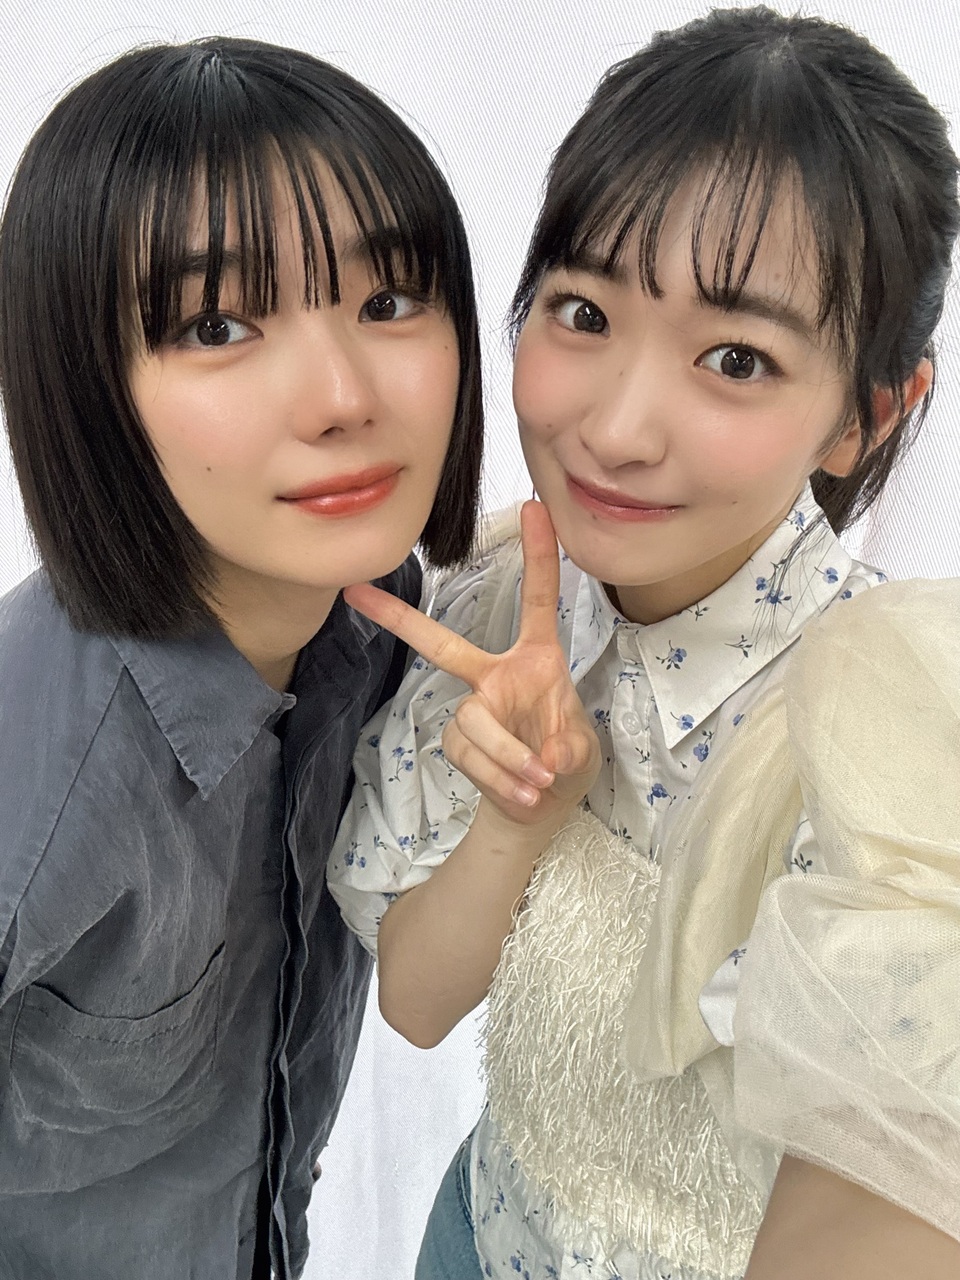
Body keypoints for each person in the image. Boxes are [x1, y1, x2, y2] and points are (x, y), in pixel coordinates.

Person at [328, 7, 960, 1278]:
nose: (616, 429)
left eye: (736, 357)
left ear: (869, 414)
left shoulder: (890, 737)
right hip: (476, 1238)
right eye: (583, 310)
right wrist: (517, 816)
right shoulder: (497, 609)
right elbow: (416, 1003)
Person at [0, 34, 482, 1280]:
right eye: (218, 323)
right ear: (86, 387)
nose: (341, 396)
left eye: (389, 301)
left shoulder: (378, 628)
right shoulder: (36, 758)